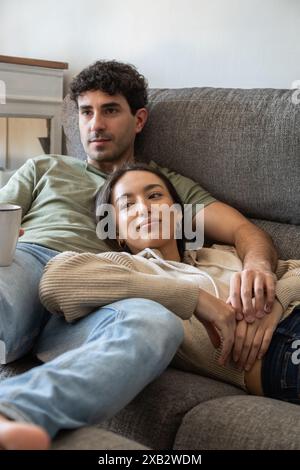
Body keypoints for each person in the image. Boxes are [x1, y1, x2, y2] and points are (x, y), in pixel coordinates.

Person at [0, 60, 278, 449]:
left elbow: (243, 231)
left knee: (157, 322)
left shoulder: (163, 188)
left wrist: (259, 268)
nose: (94, 124)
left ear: (139, 118)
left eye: (110, 110)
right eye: (85, 112)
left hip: (103, 294)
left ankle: (13, 414)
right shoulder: (45, 167)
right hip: (30, 261)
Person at [41, 163, 300, 401]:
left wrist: (277, 300)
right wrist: (194, 298)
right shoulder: (130, 267)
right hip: (281, 354)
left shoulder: (219, 253)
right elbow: (55, 281)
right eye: (127, 205)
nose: (145, 208)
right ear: (117, 231)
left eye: (154, 196)